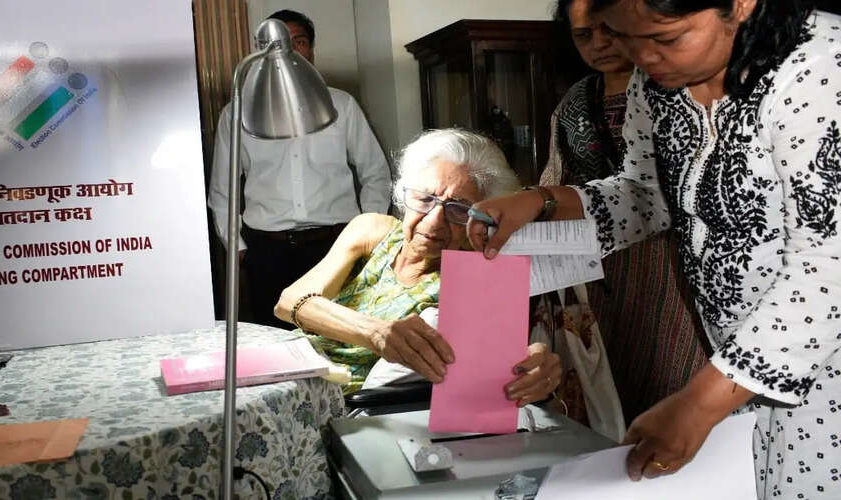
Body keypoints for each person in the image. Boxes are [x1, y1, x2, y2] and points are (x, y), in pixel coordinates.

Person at [468, 1, 839, 497]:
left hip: (822, 370)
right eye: (625, 37)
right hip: (735, 368)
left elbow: (827, 266)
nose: (644, 59)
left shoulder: (820, 69)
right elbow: (647, 195)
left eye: (665, 39)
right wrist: (542, 202)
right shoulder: (658, 85)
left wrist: (699, 402)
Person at [275, 129, 560, 403]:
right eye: (424, 199)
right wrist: (377, 332)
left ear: (484, 218)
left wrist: (531, 366)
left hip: (337, 401)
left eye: (459, 210)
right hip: (285, 366)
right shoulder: (372, 230)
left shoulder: (471, 277)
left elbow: (501, 357)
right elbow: (288, 303)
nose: (434, 220)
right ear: (404, 195)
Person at [542, 0, 706, 424]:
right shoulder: (575, 104)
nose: (600, 44)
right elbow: (557, 182)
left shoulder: (678, 86)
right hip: (599, 275)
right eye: (583, 35)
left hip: (675, 272)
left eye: (608, 30)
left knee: (677, 381)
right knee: (615, 385)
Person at [207, 9, 391, 329]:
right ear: (260, 50)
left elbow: (375, 172)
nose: (289, 50)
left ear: (312, 49)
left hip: (336, 247)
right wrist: (238, 248)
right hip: (268, 252)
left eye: (299, 41)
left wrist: (365, 237)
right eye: (278, 43)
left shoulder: (341, 104)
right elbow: (223, 190)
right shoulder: (236, 113)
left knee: (338, 341)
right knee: (276, 345)